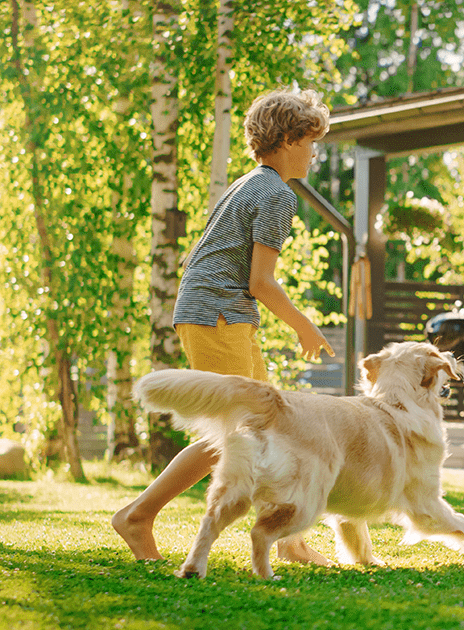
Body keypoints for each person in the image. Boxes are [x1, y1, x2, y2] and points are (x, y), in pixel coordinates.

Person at [113, 88, 337, 562]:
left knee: (265, 428)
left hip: (220, 314)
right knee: (235, 435)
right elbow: (261, 281)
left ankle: (288, 537)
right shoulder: (276, 194)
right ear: (291, 139)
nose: (316, 152)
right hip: (217, 315)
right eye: (312, 140)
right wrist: (304, 326)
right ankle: (138, 516)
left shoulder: (251, 182)